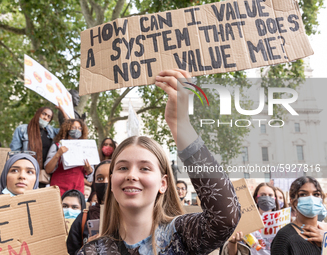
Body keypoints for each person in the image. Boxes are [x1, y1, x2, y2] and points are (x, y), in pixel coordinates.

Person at [77, 69, 241, 254]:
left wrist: (180, 124)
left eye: (145, 168)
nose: (131, 175)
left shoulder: (182, 236)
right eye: (123, 167)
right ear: (112, 183)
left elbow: (226, 216)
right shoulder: (93, 251)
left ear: (163, 183)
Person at [10, 106, 67, 188]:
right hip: (26, 172)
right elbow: (15, 154)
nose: (45, 118)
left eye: (49, 117)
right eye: (44, 114)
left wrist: (62, 109)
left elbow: (68, 128)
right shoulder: (22, 129)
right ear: (38, 114)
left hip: (43, 174)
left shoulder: (51, 131)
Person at [271, 176, 327, 255]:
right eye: (303, 194)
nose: (311, 198)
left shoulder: (325, 232)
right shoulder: (284, 238)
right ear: (293, 201)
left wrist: (325, 242)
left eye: (316, 194)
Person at [67, 160, 110, 255]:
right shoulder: (83, 218)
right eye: (100, 178)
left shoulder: (132, 218)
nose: (105, 182)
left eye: (110, 178)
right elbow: (70, 251)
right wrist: (85, 249)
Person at [224, 183, 279, 255]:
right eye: (263, 195)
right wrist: (233, 242)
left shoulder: (282, 222)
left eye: (270, 195)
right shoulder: (245, 222)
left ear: (275, 199)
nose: (267, 198)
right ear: (256, 199)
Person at [44, 119, 92, 196]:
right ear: (67, 129)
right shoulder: (57, 146)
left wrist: (88, 169)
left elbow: (89, 173)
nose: (77, 130)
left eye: (79, 128)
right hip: (58, 189)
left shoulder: (85, 148)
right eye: (74, 127)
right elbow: (48, 170)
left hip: (78, 189)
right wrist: (58, 154)